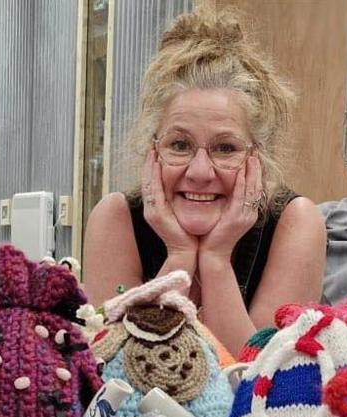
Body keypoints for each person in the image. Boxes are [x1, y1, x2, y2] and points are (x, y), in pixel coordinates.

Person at [82, 10, 326, 354]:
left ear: (259, 157)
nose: (199, 171)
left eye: (225, 148)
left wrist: (215, 259)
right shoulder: (115, 218)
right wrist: (180, 256)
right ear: (152, 150)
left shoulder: (296, 222)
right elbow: (119, 368)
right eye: (179, 145)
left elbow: (257, 376)